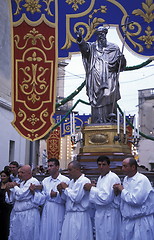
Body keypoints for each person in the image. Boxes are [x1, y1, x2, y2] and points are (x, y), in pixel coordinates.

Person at [76, 25, 126, 123]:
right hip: (95, 77)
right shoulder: (92, 47)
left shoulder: (114, 48)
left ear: (106, 35)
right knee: (96, 98)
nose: (101, 36)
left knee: (108, 95)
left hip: (109, 77)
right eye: (99, 34)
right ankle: (98, 119)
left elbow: (120, 66)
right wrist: (80, 39)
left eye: (103, 34)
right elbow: (84, 49)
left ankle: (110, 118)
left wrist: (121, 60)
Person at [113, 157, 154, 240]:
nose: (122, 169)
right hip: (128, 221)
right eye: (122, 166)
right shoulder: (126, 179)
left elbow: (136, 200)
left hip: (140, 222)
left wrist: (122, 190)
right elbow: (124, 200)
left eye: (125, 166)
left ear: (133, 167)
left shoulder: (142, 180)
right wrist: (117, 192)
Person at [84, 155, 121, 240]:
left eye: (104, 164)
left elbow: (105, 198)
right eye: (99, 164)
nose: (101, 167)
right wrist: (95, 188)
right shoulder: (101, 178)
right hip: (101, 213)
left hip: (109, 214)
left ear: (109, 166)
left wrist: (92, 189)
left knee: (109, 236)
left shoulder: (112, 177)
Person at [58, 160, 94, 240]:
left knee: (79, 236)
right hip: (69, 215)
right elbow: (66, 199)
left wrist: (66, 188)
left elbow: (77, 198)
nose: (68, 172)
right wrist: (61, 191)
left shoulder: (84, 181)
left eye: (70, 170)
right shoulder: (71, 182)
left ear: (77, 169)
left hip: (80, 215)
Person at [5, 165, 42, 240]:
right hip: (18, 214)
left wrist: (14, 186)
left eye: (22, 172)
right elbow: (12, 199)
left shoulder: (33, 181)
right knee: (17, 235)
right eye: (19, 172)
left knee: (27, 236)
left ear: (29, 173)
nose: (20, 174)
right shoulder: (22, 183)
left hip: (28, 214)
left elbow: (21, 195)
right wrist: (9, 190)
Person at [38, 158, 70, 240]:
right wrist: (49, 194)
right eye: (48, 166)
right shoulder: (45, 180)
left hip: (59, 207)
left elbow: (67, 196)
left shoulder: (65, 180)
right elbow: (44, 195)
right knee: (46, 229)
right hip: (47, 207)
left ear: (57, 167)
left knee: (57, 228)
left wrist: (57, 194)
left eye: (51, 166)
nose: (49, 168)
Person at [0, 170, 13, 240]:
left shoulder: (10, 185)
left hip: (6, 209)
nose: (2, 177)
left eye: (4, 176)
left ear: (8, 177)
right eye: (1, 176)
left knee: (5, 226)